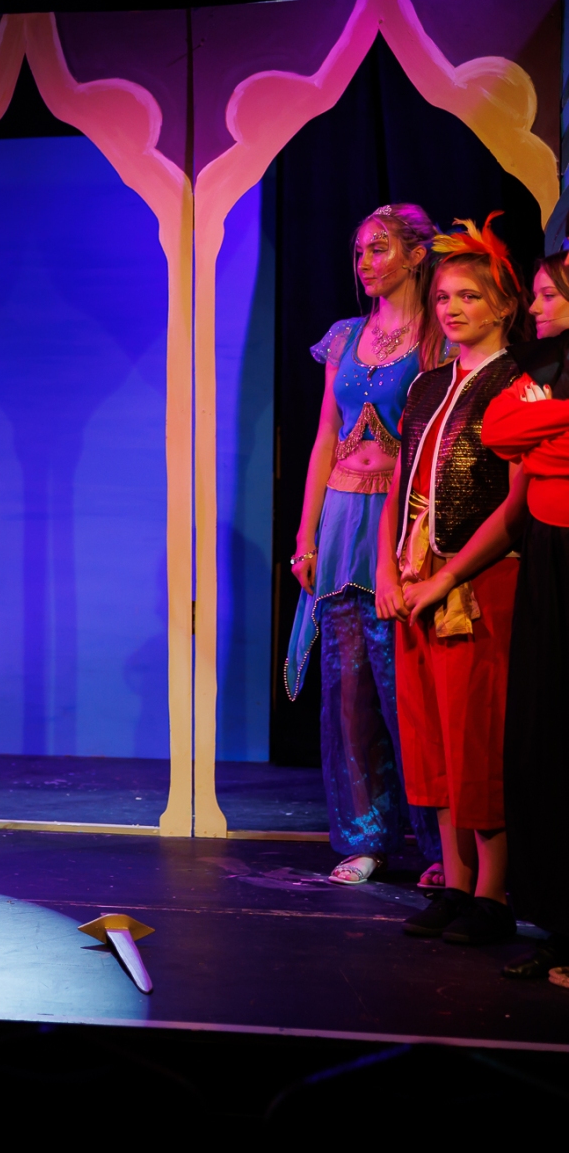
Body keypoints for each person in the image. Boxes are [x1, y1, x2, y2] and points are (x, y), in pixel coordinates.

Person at [284, 204, 444, 886]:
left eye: (379, 249)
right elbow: (326, 433)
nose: (366, 263)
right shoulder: (345, 336)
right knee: (347, 690)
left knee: (407, 686)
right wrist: (305, 532)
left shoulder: (437, 335)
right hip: (342, 517)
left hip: (401, 520)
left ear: (416, 254)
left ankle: (441, 847)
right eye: (359, 252)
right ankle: (363, 836)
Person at [383, 215, 531, 945]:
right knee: (430, 738)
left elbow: (515, 506)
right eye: (443, 296)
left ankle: (494, 892)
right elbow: (398, 484)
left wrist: (448, 580)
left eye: (468, 295)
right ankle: (455, 879)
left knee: (478, 735)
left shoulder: (518, 385)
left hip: (478, 582)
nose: (451, 308)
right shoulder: (427, 385)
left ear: (503, 304)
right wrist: (388, 571)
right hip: (416, 577)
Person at [480, 248, 569, 978]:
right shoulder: (538, 367)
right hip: (548, 554)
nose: (535, 308)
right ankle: (559, 926)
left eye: (547, 295)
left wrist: (549, 429)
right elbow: (500, 430)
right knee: (543, 734)